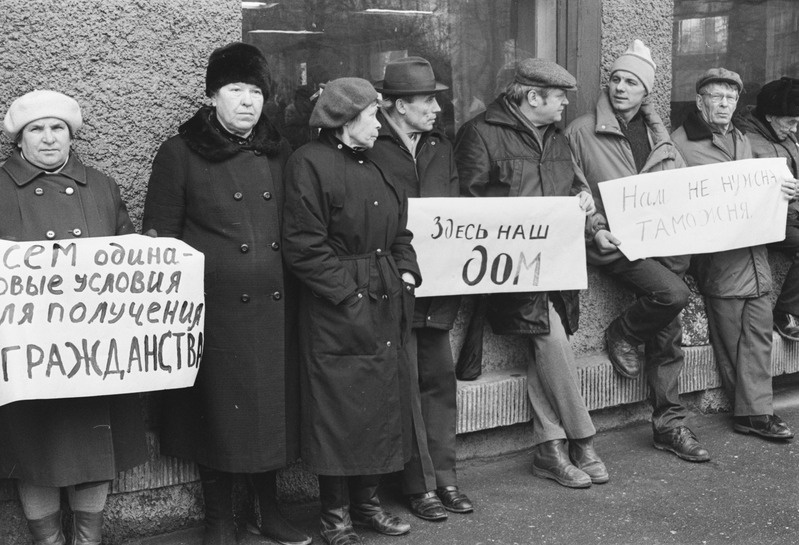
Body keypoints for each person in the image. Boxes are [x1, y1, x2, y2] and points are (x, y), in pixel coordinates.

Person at [142, 42, 310, 545]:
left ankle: (269, 510)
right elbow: (161, 238)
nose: (247, 101)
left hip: (277, 310)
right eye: (236, 89)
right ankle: (219, 518)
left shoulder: (281, 151)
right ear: (212, 95)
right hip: (212, 313)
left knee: (269, 414)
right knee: (217, 416)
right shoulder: (179, 152)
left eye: (256, 91)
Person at [0, 90, 147, 545]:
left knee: (92, 444)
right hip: (28, 352)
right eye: (36, 130)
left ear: (71, 135)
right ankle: (48, 541)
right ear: (20, 140)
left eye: (57, 128)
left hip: (93, 349)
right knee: (35, 449)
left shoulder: (101, 185)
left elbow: (126, 249)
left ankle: (89, 539)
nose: (48, 138)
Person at [454, 58, 607, 489]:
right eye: (558, 97)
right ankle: (583, 435)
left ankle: (550, 447)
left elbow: (574, 186)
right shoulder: (480, 133)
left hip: (555, 265)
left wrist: (586, 206)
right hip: (507, 270)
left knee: (547, 345)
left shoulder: (557, 137)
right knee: (551, 336)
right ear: (533, 96)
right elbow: (467, 206)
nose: (564, 105)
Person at [282, 77, 420, 545]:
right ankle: (334, 518)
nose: (379, 125)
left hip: (385, 297)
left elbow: (402, 231)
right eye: (370, 117)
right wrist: (349, 295)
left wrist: (406, 273)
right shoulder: (308, 163)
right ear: (343, 120)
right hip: (338, 308)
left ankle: (367, 507)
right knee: (338, 412)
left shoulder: (379, 162)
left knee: (380, 407)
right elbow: (303, 245)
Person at [564, 40, 709, 462]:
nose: (620, 87)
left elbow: (678, 189)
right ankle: (622, 333)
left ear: (646, 92)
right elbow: (575, 190)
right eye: (615, 79)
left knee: (668, 330)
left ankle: (670, 425)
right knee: (672, 296)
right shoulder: (580, 131)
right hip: (613, 242)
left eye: (631, 82)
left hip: (660, 243)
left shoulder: (658, 134)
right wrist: (597, 230)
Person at [368, 56, 473, 522]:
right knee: (405, 384)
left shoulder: (439, 146)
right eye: (426, 100)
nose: (435, 108)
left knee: (438, 381)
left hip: (439, 284)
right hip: (395, 285)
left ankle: (446, 476)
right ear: (396, 106)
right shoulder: (371, 145)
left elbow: (455, 211)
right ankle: (419, 484)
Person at [671, 67, 796, 441]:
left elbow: (756, 193)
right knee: (732, 343)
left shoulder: (741, 138)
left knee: (756, 337)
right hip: (720, 260)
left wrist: (784, 191)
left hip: (754, 256)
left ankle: (756, 412)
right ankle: (751, 413)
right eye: (716, 96)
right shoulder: (681, 144)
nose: (724, 104)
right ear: (700, 100)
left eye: (731, 97)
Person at [734, 77, 799, 341]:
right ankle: (785, 313)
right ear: (770, 117)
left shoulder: (786, 136)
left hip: (791, 212)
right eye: (790, 122)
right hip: (767, 220)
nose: (795, 127)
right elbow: (742, 190)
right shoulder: (745, 140)